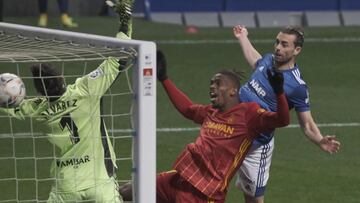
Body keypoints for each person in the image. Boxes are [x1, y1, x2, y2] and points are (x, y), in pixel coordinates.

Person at [0, 0, 134, 202]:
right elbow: (119, 58)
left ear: (40, 92)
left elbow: (13, 106)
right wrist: (125, 22)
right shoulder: (86, 89)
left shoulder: (37, 109)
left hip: (66, 185)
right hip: (100, 180)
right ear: (62, 77)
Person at [155, 50, 290, 202]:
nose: (212, 87)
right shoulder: (211, 112)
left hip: (204, 194)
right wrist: (164, 79)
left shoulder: (249, 114)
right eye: (211, 83)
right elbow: (188, 109)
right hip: (181, 179)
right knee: (132, 189)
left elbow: (282, 120)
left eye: (218, 84)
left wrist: (279, 92)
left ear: (233, 91)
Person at [232, 25, 341, 203]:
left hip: (255, 147)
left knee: (252, 198)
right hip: (230, 131)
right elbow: (255, 60)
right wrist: (243, 37)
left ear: (297, 50)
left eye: (284, 44)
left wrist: (320, 140)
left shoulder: (297, 86)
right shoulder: (268, 60)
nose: (277, 48)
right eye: (277, 42)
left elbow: (306, 123)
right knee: (206, 179)